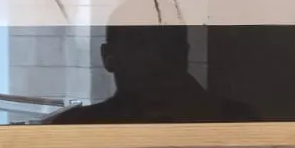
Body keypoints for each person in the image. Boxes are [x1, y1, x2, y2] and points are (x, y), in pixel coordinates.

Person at [48, 27, 256, 125]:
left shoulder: (237, 121)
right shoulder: (236, 119)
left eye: (165, 47)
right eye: (139, 46)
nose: (153, 58)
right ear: (109, 56)